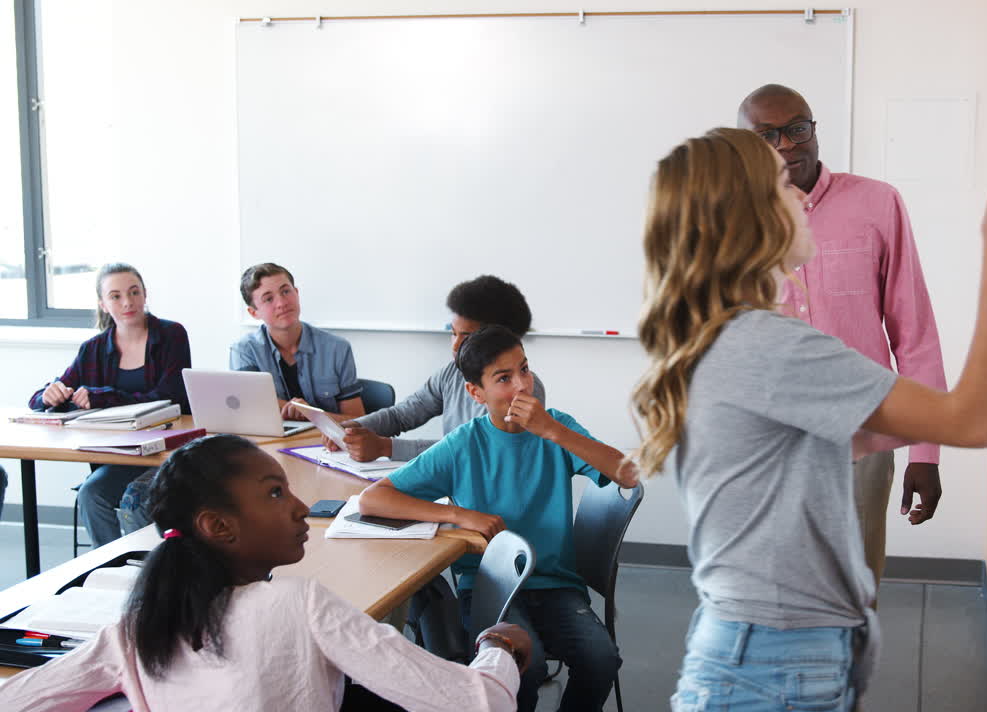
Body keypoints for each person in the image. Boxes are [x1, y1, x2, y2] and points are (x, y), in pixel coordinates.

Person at [631, 127, 987, 710]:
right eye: (783, 186)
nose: (803, 197)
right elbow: (974, 421)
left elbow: (868, 430)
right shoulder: (767, 346)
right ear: (748, 217)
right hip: (772, 665)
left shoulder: (728, 338)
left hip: (767, 654)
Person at [0, 434, 532, 712]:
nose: (301, 508)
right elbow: (476, 703)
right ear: (218, 526)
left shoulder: (135, 629)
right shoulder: (300, 604)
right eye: (276, 493)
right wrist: (501, 648)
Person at [359, 325, 637, 712]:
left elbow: (628, 474)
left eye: (524, 369)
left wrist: (553, 431)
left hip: (556, 585)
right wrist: (459, 514)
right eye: (504, 378)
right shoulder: (463, 444)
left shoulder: (557, 427)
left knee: (601, 658)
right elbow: (373, 499)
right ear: (476, 393)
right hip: (489, 586)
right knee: (525, 667)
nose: (522, 385)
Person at [739, 83, 949, 590]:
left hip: (860, 440)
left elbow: (914, 334)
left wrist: (925, 452)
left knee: (853, 592)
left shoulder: (877, 204)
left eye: (797, 129)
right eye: (767, 137)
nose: (787, 146)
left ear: (814, 130)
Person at [27, 263, 191, 547]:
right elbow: (40, 399)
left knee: (134, 498)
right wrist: (49, 395)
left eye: (134, 292)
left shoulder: (171, 335)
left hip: (165, 455)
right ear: (103, 304)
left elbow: (170, 397)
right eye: (116, 296)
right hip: (120, 457)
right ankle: (110, 565)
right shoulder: (93, 349)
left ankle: (152, 569)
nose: (127, 302)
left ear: (145, 294)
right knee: (91, 494)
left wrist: (104, 396)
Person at [330, 275, 545, 462]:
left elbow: (474, 450)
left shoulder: (520, 388)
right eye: (453, 333)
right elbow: (402, 415)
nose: (455, 345)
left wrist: (386, 448)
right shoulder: (451, 373)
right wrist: (352, 427)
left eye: (466, 337)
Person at [230, 262, 365, 420]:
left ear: (297, 292)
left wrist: (310, 414)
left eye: (286, 291)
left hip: (324, 436)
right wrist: (300, 411)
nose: (282, 303)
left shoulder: (337, 348)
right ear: (254, 313)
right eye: (268, 299)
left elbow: (356, 420)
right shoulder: (244, 351)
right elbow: (250, 406)